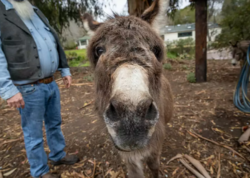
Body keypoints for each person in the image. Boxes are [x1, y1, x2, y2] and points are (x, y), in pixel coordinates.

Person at [0, 0, 79, 177]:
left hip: (50, 83)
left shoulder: (34, 10)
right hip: (27, 88)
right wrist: (8, 90)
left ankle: (58, 155)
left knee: (54, 123)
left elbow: (53, 40)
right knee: (33, 134)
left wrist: (64, 68)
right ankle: (40, 172)